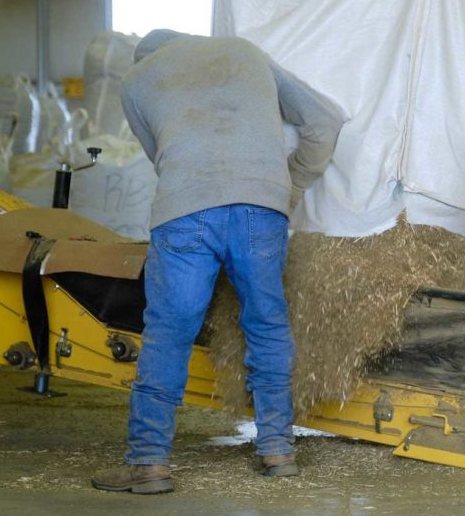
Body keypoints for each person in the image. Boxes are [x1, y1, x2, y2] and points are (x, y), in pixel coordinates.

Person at [92, 30, 344, 494]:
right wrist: (290, 186)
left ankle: (149, 463)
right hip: (261, 206)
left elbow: (162, 158)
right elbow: (326, 120)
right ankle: (277, 450)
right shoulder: (244, 50)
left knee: (169, 333)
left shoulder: (134, 80)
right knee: (266, 324)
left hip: (186, 210)